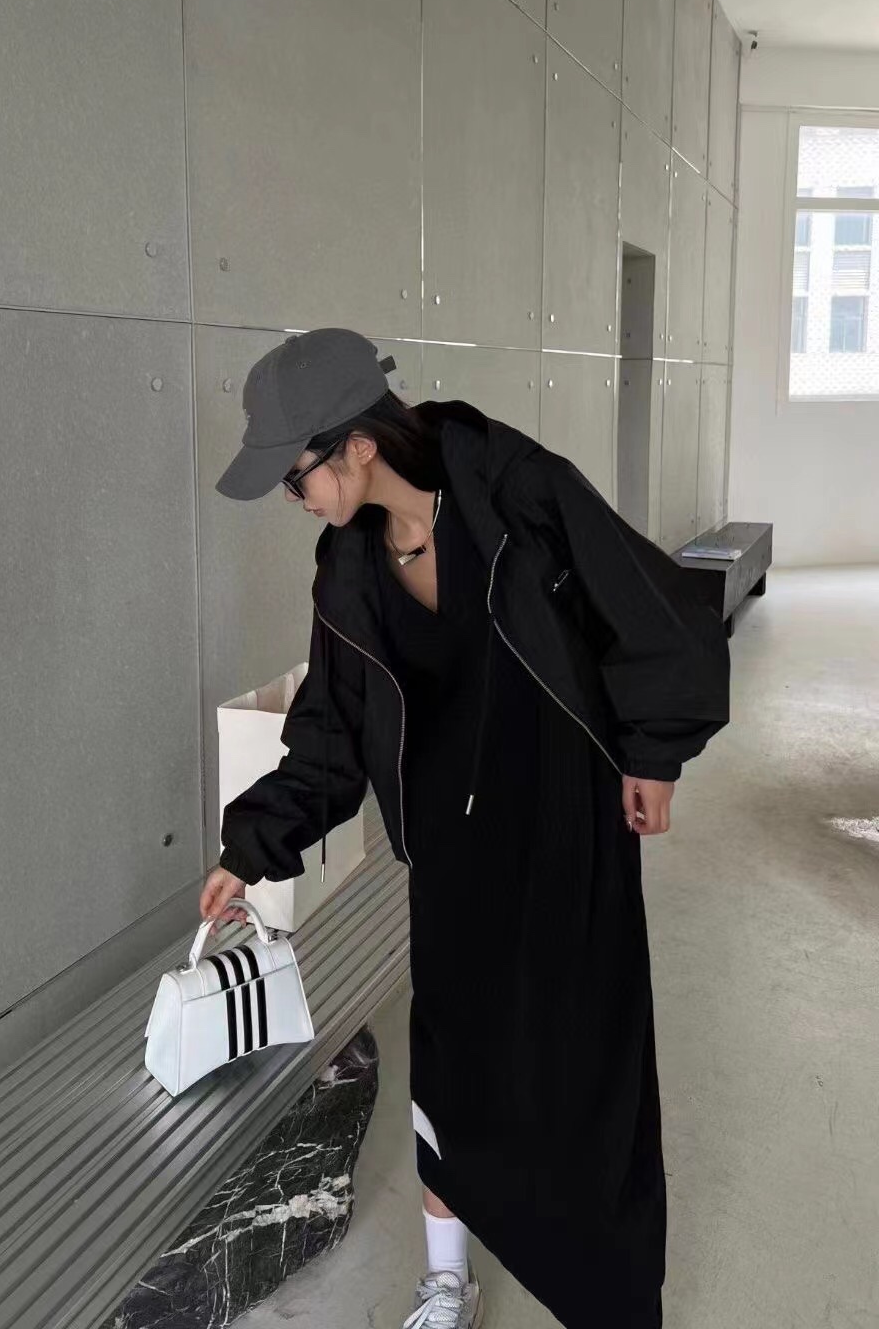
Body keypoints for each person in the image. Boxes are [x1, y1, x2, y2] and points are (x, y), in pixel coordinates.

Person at [200, 328, 731, 1329]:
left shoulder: (517, 490)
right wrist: (252, 844)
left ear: (358, 445)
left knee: (585, 1072)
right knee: (452, 1069)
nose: (293, 497)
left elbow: (645, 601)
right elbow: (331, 730)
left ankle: (612, 1302)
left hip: (567, 825)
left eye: (295, 475)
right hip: (450, 851)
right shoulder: (347, 567)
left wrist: (655, 754)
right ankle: (448, 1278)